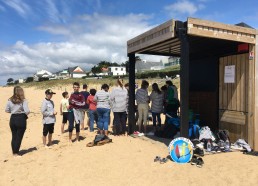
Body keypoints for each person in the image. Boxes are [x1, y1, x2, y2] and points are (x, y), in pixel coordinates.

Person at [5, 86, 30, 157]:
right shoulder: (23, 100)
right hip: (21, 118)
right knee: (19, 136)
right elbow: (27, 111)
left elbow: (7, 110)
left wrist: (13, 111)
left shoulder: (10, 100)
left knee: (14, 136)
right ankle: (16, 153)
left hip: (12, 118)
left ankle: (14, 152)